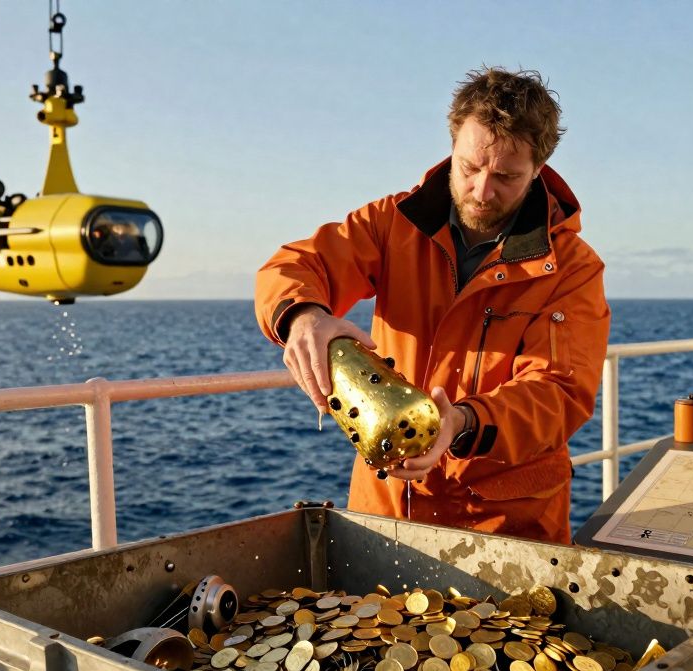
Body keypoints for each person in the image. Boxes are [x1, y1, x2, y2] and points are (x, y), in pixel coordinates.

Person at [254, 67, 610, 544]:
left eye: (506, 176)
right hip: (388, 513)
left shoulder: (573, 268)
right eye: (469, 168)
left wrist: (462, 423)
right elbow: (297, 264)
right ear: (452, 148)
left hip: (509, 527)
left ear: (538, 170)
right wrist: (303, 316)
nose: (482, 191)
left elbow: (559, 391)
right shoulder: (390, 223)